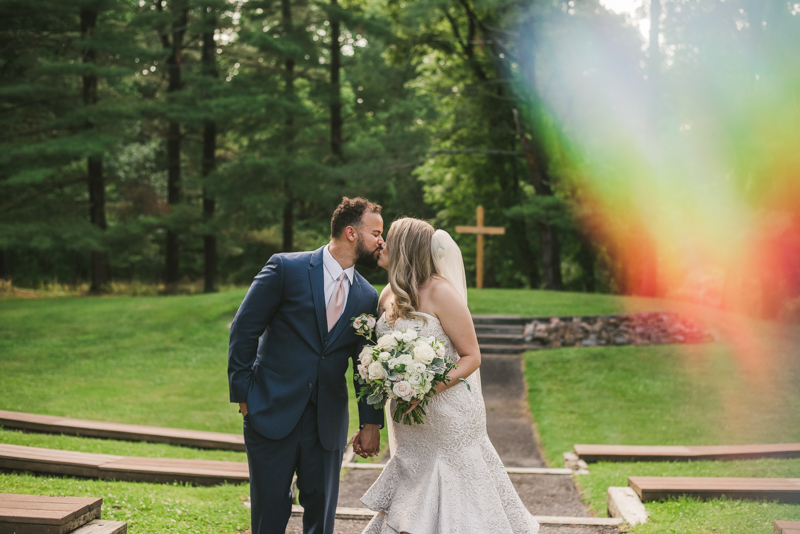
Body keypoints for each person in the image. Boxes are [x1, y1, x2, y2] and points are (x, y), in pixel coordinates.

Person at [357, 217, 540, 534]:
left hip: (447, 415)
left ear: (406, 248)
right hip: (407, 420)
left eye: (390, 238)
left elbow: (472, 356)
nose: (382, 243)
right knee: (414, 489)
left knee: (454, 498)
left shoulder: (441, 292)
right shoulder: (387, 294)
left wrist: (424, 390)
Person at [228, 197, 385, 534]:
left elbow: (365, 365)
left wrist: (371, 422)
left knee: (321, 516)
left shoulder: (367, 296)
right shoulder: (286, 268)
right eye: (375, 233)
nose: (381, 241)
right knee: (269, 512)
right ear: (351, 233)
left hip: (326, 423)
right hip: (270, 411)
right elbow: (244, 330)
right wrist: (244, 398)